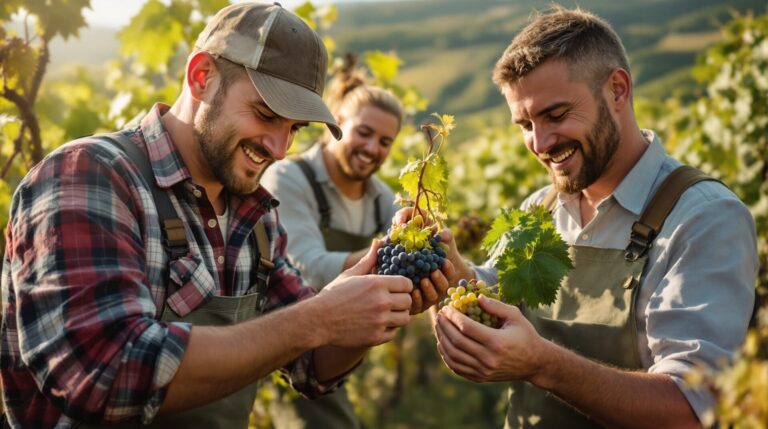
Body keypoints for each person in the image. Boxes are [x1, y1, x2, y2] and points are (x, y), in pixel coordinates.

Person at [0, 3, 449, 428]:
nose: (279, 148)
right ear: (201, 77)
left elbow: (311, 365)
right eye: (266, 115)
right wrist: (318, 318)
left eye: (294, 129)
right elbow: (103, 373)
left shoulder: (256, 216)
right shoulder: (90, 177)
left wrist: (378, 302)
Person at [430, 6, 757, 429]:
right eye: (525, 124)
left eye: (556, 115)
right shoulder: (540, 208)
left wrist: (542, 365)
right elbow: (500, 300)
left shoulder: (704, 218)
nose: (541, 142)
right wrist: (449, 267)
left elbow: (691, 410)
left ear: (617, 90)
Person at [260, 58, 402, 429]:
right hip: (289, 348)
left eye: (385, 142)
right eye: (364, 133)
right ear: (336, 123)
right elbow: (308, 265)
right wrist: (389, 253)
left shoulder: (382, 198)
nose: (373, 148)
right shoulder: (289, 177)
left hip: (348, 344)